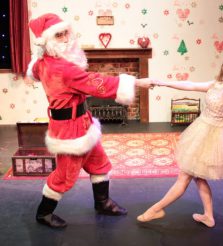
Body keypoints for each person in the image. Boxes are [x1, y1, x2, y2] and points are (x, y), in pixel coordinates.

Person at [25, 13, 155, 228]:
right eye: (59, 35)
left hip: (82, 122)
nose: (67, 38)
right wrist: (137, 82)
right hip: (69, 130)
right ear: (48, 40)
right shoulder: (63, 68)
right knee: (65, 175)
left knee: (99, 162)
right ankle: (44, 213)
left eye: (67, 32)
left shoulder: (44, 62)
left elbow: (36, 72)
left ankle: (102, 202)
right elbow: (96, 82)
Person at [137, 50, 223, 227]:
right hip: (202, 129)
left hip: (214, 136)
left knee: (185, 176)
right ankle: (208, 216)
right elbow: (191, 85)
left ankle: (156, 209)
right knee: (198, 177)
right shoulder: (215, 84)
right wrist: (161, 82)